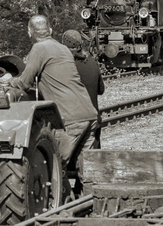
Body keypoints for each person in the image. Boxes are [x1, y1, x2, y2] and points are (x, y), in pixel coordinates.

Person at [7, 15, 98, 167]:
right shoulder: (63, 49)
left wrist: (9, 81)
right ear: (50, 30)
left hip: (70, 119)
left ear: (29, 33)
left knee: (54, 167)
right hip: (88, 113)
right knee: (86, 170)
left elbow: (25, 83)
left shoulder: (39, 48)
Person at [61, 29, 105, 149]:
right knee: (94, 158)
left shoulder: (67, 66)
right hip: (94, 120)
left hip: (75, 123)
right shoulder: (92, 62)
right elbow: (101, 90)